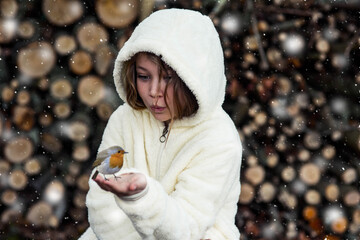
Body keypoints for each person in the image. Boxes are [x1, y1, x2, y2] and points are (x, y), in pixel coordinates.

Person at [79, 8, 242, 240]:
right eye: (144, 77)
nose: (154, 92)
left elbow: (188, 228)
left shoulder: (219, 140)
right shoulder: (123, 119)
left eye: (168, 78)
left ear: (194, 78)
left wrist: (142, 198)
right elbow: (100, 199)